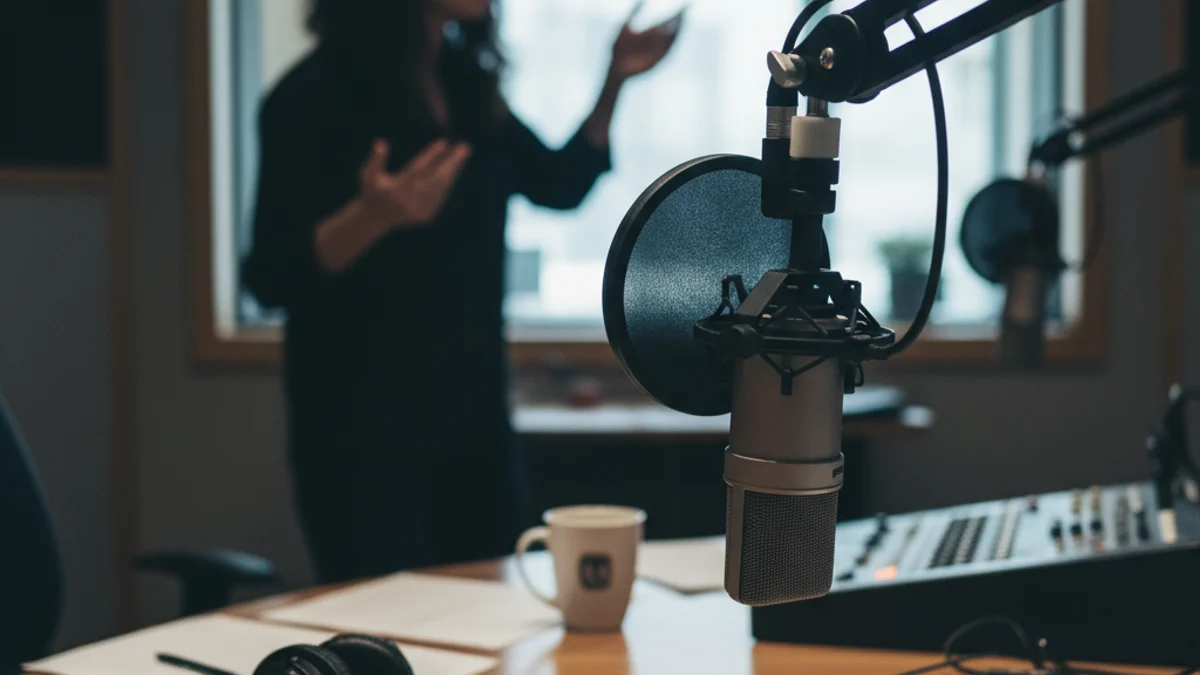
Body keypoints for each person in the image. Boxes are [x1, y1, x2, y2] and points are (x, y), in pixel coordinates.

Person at [241, 0, 681, 584]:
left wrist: (614, 79)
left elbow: (558, 182)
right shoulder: (311, 95)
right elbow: (269, 276)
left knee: (491, 625)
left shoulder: (465, 83)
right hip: (361, 440)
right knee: (386, 635)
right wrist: (370, 218)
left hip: (473, 424)